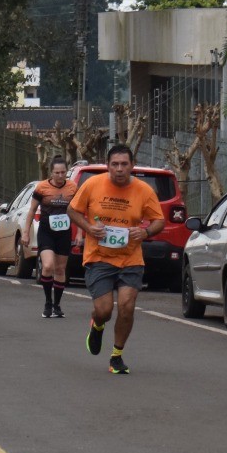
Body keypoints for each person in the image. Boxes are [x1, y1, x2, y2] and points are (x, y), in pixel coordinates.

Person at [69, 144, 165, 374]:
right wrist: (90, 228)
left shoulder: (144, 191)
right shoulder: (92, 184)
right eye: (115, 164)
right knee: (104, 310)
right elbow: (73, 211)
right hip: (99, 256)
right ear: (107, 165)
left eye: (124, 164)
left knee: (126, 306)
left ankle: (117, 356)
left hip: (130, 257)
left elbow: (158, 220)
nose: (119, 169)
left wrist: (145, 232)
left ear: (132, 165)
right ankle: (97, 324)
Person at [24, 155, 77, 318]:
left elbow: (78, 211)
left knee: (61, 269)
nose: (61, 176)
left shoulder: (73, 187)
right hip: (47, 231)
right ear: (51, 173)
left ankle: (57, 305)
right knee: (47, 266)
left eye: (63, 172)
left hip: (64, 233)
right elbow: (32, 211)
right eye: (57, 173)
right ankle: (48, 301)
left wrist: (80, 233)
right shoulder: (42, 188)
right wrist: (26, 232)